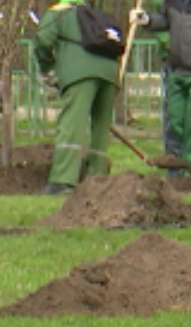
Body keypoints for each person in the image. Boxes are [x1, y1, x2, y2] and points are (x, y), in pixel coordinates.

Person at [34, 0, 121, 195]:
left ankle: (63, 180)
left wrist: (47, 67)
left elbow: (43, 39)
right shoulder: (95, 16)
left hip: (80, 75)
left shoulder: (59, 12)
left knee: (72, 125)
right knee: (100, 128)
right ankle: (97, 178)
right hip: (110, 75)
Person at [131, 1, 191, 176]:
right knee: (175, 119)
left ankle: (187, 172)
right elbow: (164, 20)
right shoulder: (173, 2)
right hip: (176, 70)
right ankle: (178, 170)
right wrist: (147, 20)